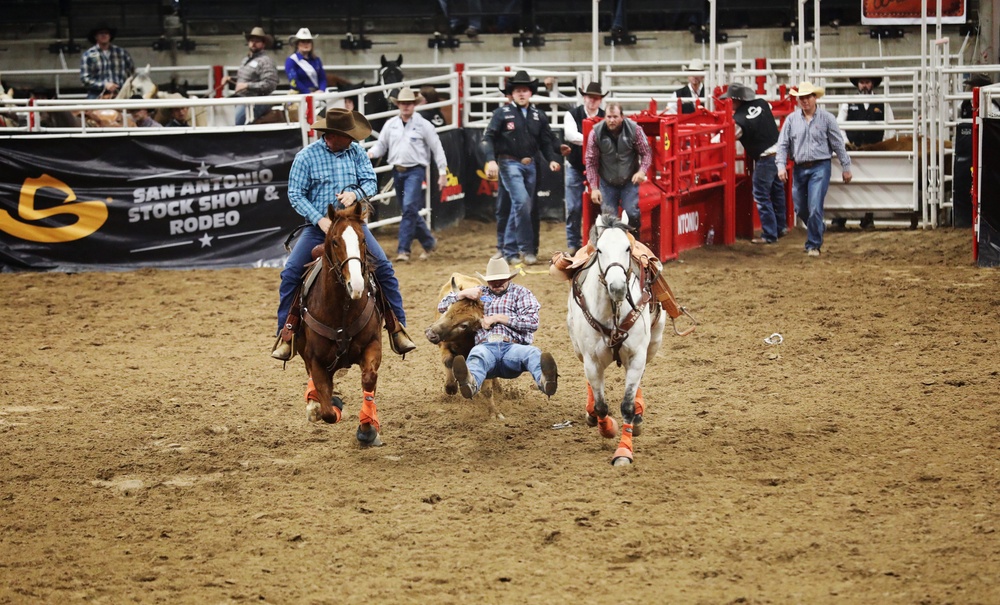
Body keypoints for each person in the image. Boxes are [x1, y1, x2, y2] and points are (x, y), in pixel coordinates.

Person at [271, 108, 416, 361]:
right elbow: (295, 194)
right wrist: (320, 220)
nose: (354, 139)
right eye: (349, 135)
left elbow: (370, 182)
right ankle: (287, 333)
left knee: (383, 267)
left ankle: (396, 327)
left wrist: (355, 195)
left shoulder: (356, 152)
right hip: (318, 229)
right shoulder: (306, 157)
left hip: (352, 227)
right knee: (291, 272)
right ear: (334, 135)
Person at [443, 256, 558, 399]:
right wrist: (461, 294)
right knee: (476, 356)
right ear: (487, 281)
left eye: (501, 280)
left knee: (532, 353)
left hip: (512, 347)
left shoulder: (522, 294)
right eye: (492, 281)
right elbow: (442, 307)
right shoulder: (478, 293)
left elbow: (532, 322)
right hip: (486, 346)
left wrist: (500, 318)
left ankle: (545, 381)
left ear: (509, 279)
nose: (497, 284)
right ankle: (470, 384)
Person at [482, 70, 561, 265]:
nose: (521, 93)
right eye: (517, 90)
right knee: (522, 202)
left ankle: (512, 249)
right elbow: (488, 138)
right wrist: (491, 160)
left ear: (530, 93)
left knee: (522, 205)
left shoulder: (538, 115)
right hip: (509, 163)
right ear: (512, 93)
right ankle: (522, 249)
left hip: (531, 164)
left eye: (524, 90)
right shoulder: (501, 114)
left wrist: (552, 158)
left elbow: (546, 140)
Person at [367, 87, 449, 262]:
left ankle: (403, 250)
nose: (406, 106)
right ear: (399, 105)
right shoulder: (391, 125)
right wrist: (371, 153)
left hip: (415, 170)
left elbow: (437, 148)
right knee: (409, 209)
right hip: (397, 170)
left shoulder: (424, 125)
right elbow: (381, 145)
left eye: (409, 103)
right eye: (403, 103)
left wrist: (442, 171)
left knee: (409, 207)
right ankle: (428, 242)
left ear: (414, 105)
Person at [776, 82, 853, 257]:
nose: (804, 101)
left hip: (820, 166)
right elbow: (782, 145)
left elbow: (838, 144)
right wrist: (781, 166)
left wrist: (846, 166)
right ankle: (817, 226)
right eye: (801, 98)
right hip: (799, 167)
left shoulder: (827, 119)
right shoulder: (791, 120)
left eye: (807, 97)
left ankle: (813, 244)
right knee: (800, 207)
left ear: (815, 98)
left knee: (814, 205)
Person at [720, 82, 786, 244]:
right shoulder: (763, 104)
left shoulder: (739, 120)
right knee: (777, 192)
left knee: (761, 194)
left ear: (735, 101)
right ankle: (780, 227)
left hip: (766, 158)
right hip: (779, 154)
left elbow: (726, 137)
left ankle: (770, 234)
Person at [834, 75, 896, 230]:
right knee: (848, 182)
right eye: (861, 82)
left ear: (872, 84)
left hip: (874, 150)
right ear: (857, 85)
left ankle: (868, 216)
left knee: (870, 182)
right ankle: (841, 216)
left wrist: (883, 147)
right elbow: (839, 124)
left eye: (867, 82)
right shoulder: (848, 101)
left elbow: (890, 128)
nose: (864, 85)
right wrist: (845, 143)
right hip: (852, 149)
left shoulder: (883, 102)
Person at [584, 101, 652, 229]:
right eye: (609, 117)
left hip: (629, 180)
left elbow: (646, 153)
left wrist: (642, 171)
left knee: (631, 213)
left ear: (622, 117)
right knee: (608, 219)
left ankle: (635, 243)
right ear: (605, 117)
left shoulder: (635, 130)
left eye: (615, 117)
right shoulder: (596, 133)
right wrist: (594, 187)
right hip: (607, 182)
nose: (611, 120)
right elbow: (591, 161)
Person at [561, 82, 606, 254]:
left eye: (596, 98)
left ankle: (597, 241)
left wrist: (588, 139)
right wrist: (595, 139)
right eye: (589, 97)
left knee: (600, 206)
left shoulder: (605, 116)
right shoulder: (573, 114)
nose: (592, 101)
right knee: (573, 207)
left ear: (600, 100)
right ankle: (573, 242)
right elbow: (570, 135)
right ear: (584, 98)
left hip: (600, 169)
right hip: (576, 166)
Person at [954, 72, 992, 228]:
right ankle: (965, 218)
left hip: (984, 152)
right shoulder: (964, 105)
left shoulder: (991, 105)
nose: (969, 88)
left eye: (972, 86)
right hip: (968, 154)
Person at [224, 27, 279, 125]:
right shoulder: (246, 60)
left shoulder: (266, 61)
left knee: (235, 123)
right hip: (243, 98)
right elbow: (247, 79)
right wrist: (231, 80)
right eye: (252, 40)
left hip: (256, 100)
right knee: (221, 115)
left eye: (257, 41)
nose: (253, 43)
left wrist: (247, 86)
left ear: (263, 44)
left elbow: (270, 84)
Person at [79, 23, 135, 100]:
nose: (104, 35)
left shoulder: (122, 53)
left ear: (110, 36)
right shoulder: (88, 55)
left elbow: (132, 73)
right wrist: (104, 85)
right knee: (87, 110)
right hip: (97, 93)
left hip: (121, 92)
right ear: (95, 36)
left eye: (106, 33)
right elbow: (85, 79)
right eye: (101, 33)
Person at [285, 28, 327, 95]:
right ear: (297, 44)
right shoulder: (291, 60)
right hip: (299, 94)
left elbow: (322, 78)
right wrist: (308, 93)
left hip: (317, 93)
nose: (306, 44)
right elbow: (293, 81)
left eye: (308, 41)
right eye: (303, 41)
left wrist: (321, 90)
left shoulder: (316, 60)